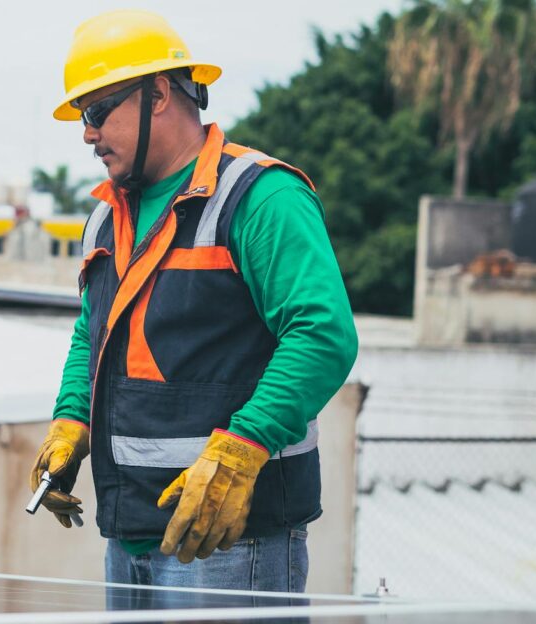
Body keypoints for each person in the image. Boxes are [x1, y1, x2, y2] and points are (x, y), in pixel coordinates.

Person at [29, 9, 359, 593]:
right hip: (129, 534)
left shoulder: (259, 197)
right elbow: (93, 333)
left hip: (234, 542)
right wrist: (69, 421)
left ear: (158, 94)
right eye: (82, 116)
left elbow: (321, 334)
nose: (87, 132)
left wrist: (242, 448)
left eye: (97, 111)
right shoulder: (108, 216)